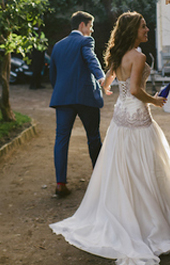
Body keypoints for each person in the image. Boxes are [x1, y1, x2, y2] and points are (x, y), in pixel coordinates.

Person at [50, 12, 170, 265]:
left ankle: (118, 210)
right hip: (138, 117)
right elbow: (134, 90)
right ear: (133, 30)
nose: (147, 29)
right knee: (146, 166)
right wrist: (155, 99)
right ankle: (146, 219)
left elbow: (108, 82)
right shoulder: (139, 56)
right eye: (143, 26)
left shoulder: (118, 56)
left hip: (120, 118)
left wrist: (109, 86)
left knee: (121, 167)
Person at [49, 11, 106, 198]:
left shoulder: (57, 46)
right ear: (82, 25)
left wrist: (60, 90)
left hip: (63, 98)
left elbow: (53, 75)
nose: (91, 30)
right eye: (90, 26)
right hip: (85, 97)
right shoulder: (85, 41)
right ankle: (100, 181)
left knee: (61, 139)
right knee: (93, 137)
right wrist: (101, 76)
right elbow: (91, 58)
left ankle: (60, 184)